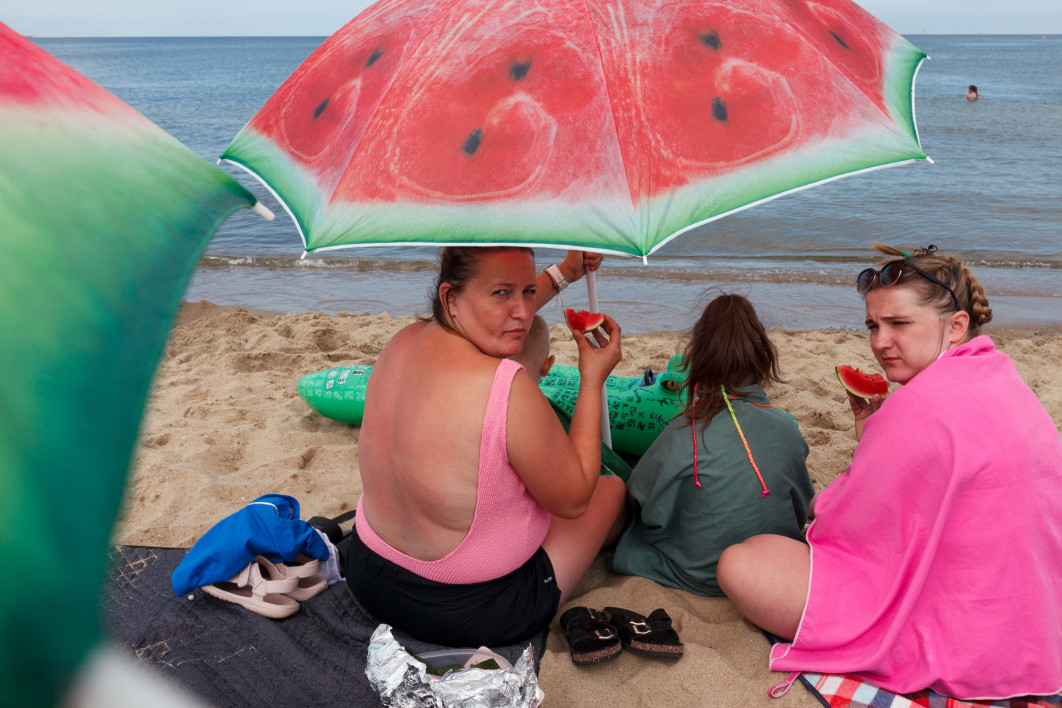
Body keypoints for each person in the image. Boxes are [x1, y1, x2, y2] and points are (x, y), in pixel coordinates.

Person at [717, 244, 1062, 698]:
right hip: (1033, 621)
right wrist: (872, 440)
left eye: (899, 324)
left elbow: (837, 521)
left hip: (961, 632)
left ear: (956, 326)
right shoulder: (1006, 379)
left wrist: (867, 453)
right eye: (873, 326)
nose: (880, 342)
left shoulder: (917, 405)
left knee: (743, 560)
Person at [345, 247, 628, 647]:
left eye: (529, 291)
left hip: (368, 574)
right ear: (450, 298)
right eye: (501, 294)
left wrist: (565, 273)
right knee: (610, 489)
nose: (523, 313)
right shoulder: (507, 384)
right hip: (469, 612)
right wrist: (592, 380)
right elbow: (575, 498)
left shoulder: (401, 342)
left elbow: (503, 306)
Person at [608, 293, 812, 596]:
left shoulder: (684, 432)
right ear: (763, 359)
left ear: (698, 362)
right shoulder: (787, 427)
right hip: (769, 571)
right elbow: (800, 503)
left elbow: (640, 501)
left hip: (696, 576)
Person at [511, 314, 633, 481]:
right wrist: (592, 381)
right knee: (614, 487)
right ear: (548, 365)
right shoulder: (537, 420)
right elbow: (579, 484)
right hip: (551, 498)